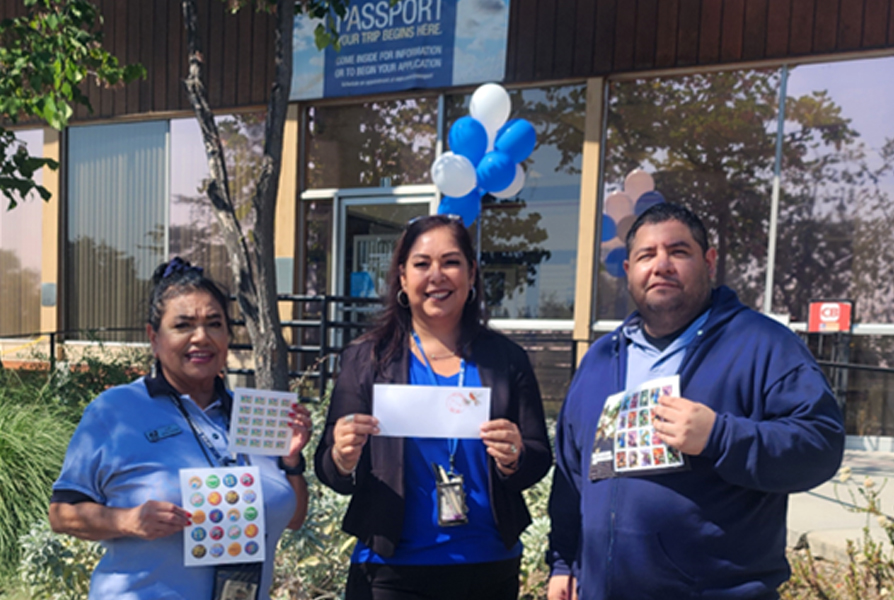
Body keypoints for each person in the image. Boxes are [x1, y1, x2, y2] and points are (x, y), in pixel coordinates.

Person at [547, 203, 845, 600]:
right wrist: (564, 563)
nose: (662, 265)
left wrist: (720, 436)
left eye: (679, 251)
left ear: (709, 261)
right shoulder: (601, 361)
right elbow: (571, 475)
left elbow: (821, 445)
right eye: (646, 255)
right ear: (628, 271)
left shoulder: (762, 345)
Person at [315, 214, 552, 600]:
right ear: (403, 279)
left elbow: (539, 457)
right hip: (391, 571)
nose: (437, 275)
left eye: (451, 262)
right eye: (422, 264)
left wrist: (515, 457)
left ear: (472, 274)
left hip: (488, 568)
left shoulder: (507, 359)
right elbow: (329, 469)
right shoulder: (367, 359)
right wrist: (342, 456)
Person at [49, 257, 312, 600]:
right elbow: (62, 514)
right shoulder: (115, 412)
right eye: (183, 325)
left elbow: (292, 518)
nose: (201, 337)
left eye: (214, 324)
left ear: (227, 337)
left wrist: (292, 461)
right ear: (154, 338)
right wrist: (128, 521)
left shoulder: (257, 414)